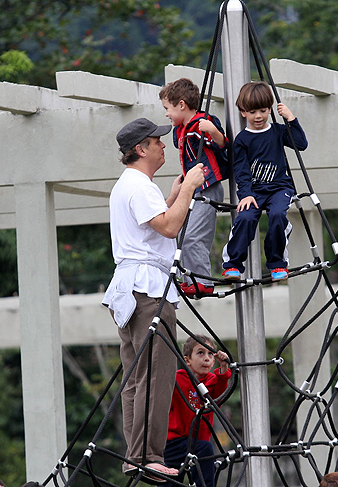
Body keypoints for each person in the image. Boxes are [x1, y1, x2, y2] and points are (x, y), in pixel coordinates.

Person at [102, 117, 205, 482]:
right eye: (157, 142)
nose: (165, 146)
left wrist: (173, 195)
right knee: (156, 374)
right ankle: (148, 454)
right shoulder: (140, 185)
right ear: (141, 149)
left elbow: (150, 224)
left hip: (129, 288)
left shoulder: (127, 185)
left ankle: (135, 454)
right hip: (147, 289)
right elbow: (168, 227)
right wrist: (190, 187)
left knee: (135, 376)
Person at [222, 80, 308, 282]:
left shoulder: (278, 131)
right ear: (243, 112)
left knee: (278, 215)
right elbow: (241, 170)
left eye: (262, 110)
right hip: (255, 190)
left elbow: (301, 144)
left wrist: (291, 119)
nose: (258, 116)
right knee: (245, 218)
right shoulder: (242, 140)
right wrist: (246, 194)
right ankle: (233, 265)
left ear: (270, 109)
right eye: (252, 112)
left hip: (280, 188)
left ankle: (277, 263)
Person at [159, 78, 229, 298]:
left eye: (167, 108)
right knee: (184, 234)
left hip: (207, 186)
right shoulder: (180, 130)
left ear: (181, 105)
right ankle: (191, 279)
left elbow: (223, 145)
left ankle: (201, 281)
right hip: (194, 188)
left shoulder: (201, 123)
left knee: (193, 236)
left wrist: (213, 131)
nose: (166, 114)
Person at [164, 335, 231, 487]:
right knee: (170, 481)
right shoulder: (177, 379)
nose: (206, 358)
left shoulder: (212, 381)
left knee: (206, 451)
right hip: (174, 442)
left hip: (197, 444)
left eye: (210, 354)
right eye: (200, 353)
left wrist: (224, 367)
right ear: (187, 360)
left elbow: (221, 391)